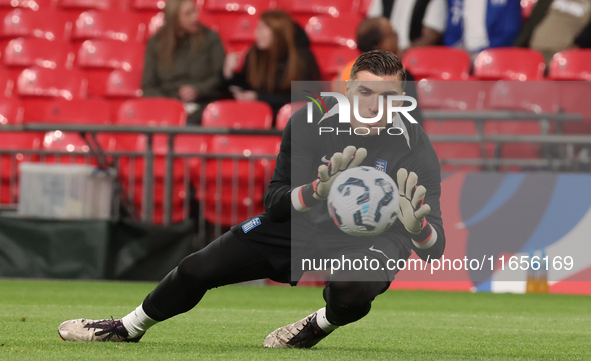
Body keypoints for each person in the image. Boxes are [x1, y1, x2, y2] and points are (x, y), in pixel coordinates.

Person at [57, 50, 446, 349]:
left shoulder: (416, 147)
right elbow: (276, 203)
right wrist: (315, 191)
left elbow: (435, 247)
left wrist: (417, 228)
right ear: (347, 91)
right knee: (196, 269)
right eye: (365, 92)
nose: (373, 106)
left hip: (376, 238)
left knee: (351, 290)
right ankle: (127, 328)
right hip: (303, 220)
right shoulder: (308, 123)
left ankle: (317, 325)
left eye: (388, 96)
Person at [142, 0, 226, 125]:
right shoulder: (156, 43)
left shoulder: (210, 39)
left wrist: (198, 90)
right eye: (188, 14)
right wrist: (171, 102)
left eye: (194, 11)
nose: (195, 17)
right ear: (174, 18)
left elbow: (221, 78)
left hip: (202, 108)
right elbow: (148, 87)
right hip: (166, 109)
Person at [223, 10, 321, 116]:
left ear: (278, 32)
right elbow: (247, 86)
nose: (256, 33)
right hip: (257, 116)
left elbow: (307, 97)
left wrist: (260, 98)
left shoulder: (302, 57)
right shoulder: (254, 53)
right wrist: (229, 74)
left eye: (262, 28)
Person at [334, 17, 424, 126]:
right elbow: (411, 118)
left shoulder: (345, 72)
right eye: (392, 34)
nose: (397, 37)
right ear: (379, 44)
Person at [515, 0, 591, 63]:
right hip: (534, 49)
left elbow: (585, 39)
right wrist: (518, 48)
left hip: (564, 56)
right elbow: (532, 23)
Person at [366, 0, 448, 55]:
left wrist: (404, 53)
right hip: (384, 52)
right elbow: (371, 26)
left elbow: (431, 36)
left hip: (415, 59)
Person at [444, 0, 522, 55]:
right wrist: (457, 52)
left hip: (495, 56)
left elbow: (509, 32)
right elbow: (451, 31)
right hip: (461, 54)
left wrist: (481, 54)